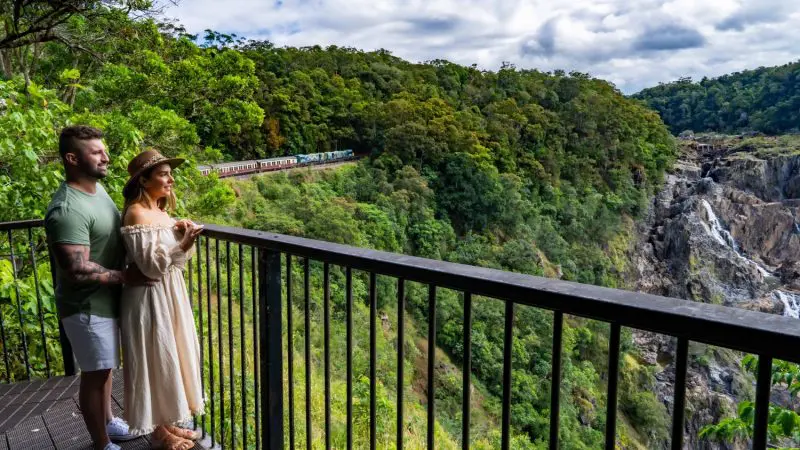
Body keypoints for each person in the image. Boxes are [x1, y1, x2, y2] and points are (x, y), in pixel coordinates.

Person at [45, 126, 150, 450]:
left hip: (105, 302)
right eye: (96, 153)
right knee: (95, 373)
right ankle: (102, 443)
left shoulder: (97, 191)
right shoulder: (67, 208)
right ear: (72, 158)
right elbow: (76, 268)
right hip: (86, 307)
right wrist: (126, 277)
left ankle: (108, 421)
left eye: (104, 150)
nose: (106, 157)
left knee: (104, 369)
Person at [119, 149, 205, 450]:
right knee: (154, 356)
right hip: (148, 295)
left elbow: (176, 263)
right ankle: (158, 433)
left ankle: (167, 424)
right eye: (163, 174)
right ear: (144, 180)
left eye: (170, 173)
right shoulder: (136, 213)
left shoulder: (161, 212)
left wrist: (183, 238)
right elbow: (150, 267)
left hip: (169, 292)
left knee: (169, 354)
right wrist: (182, 242)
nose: (170, 179)